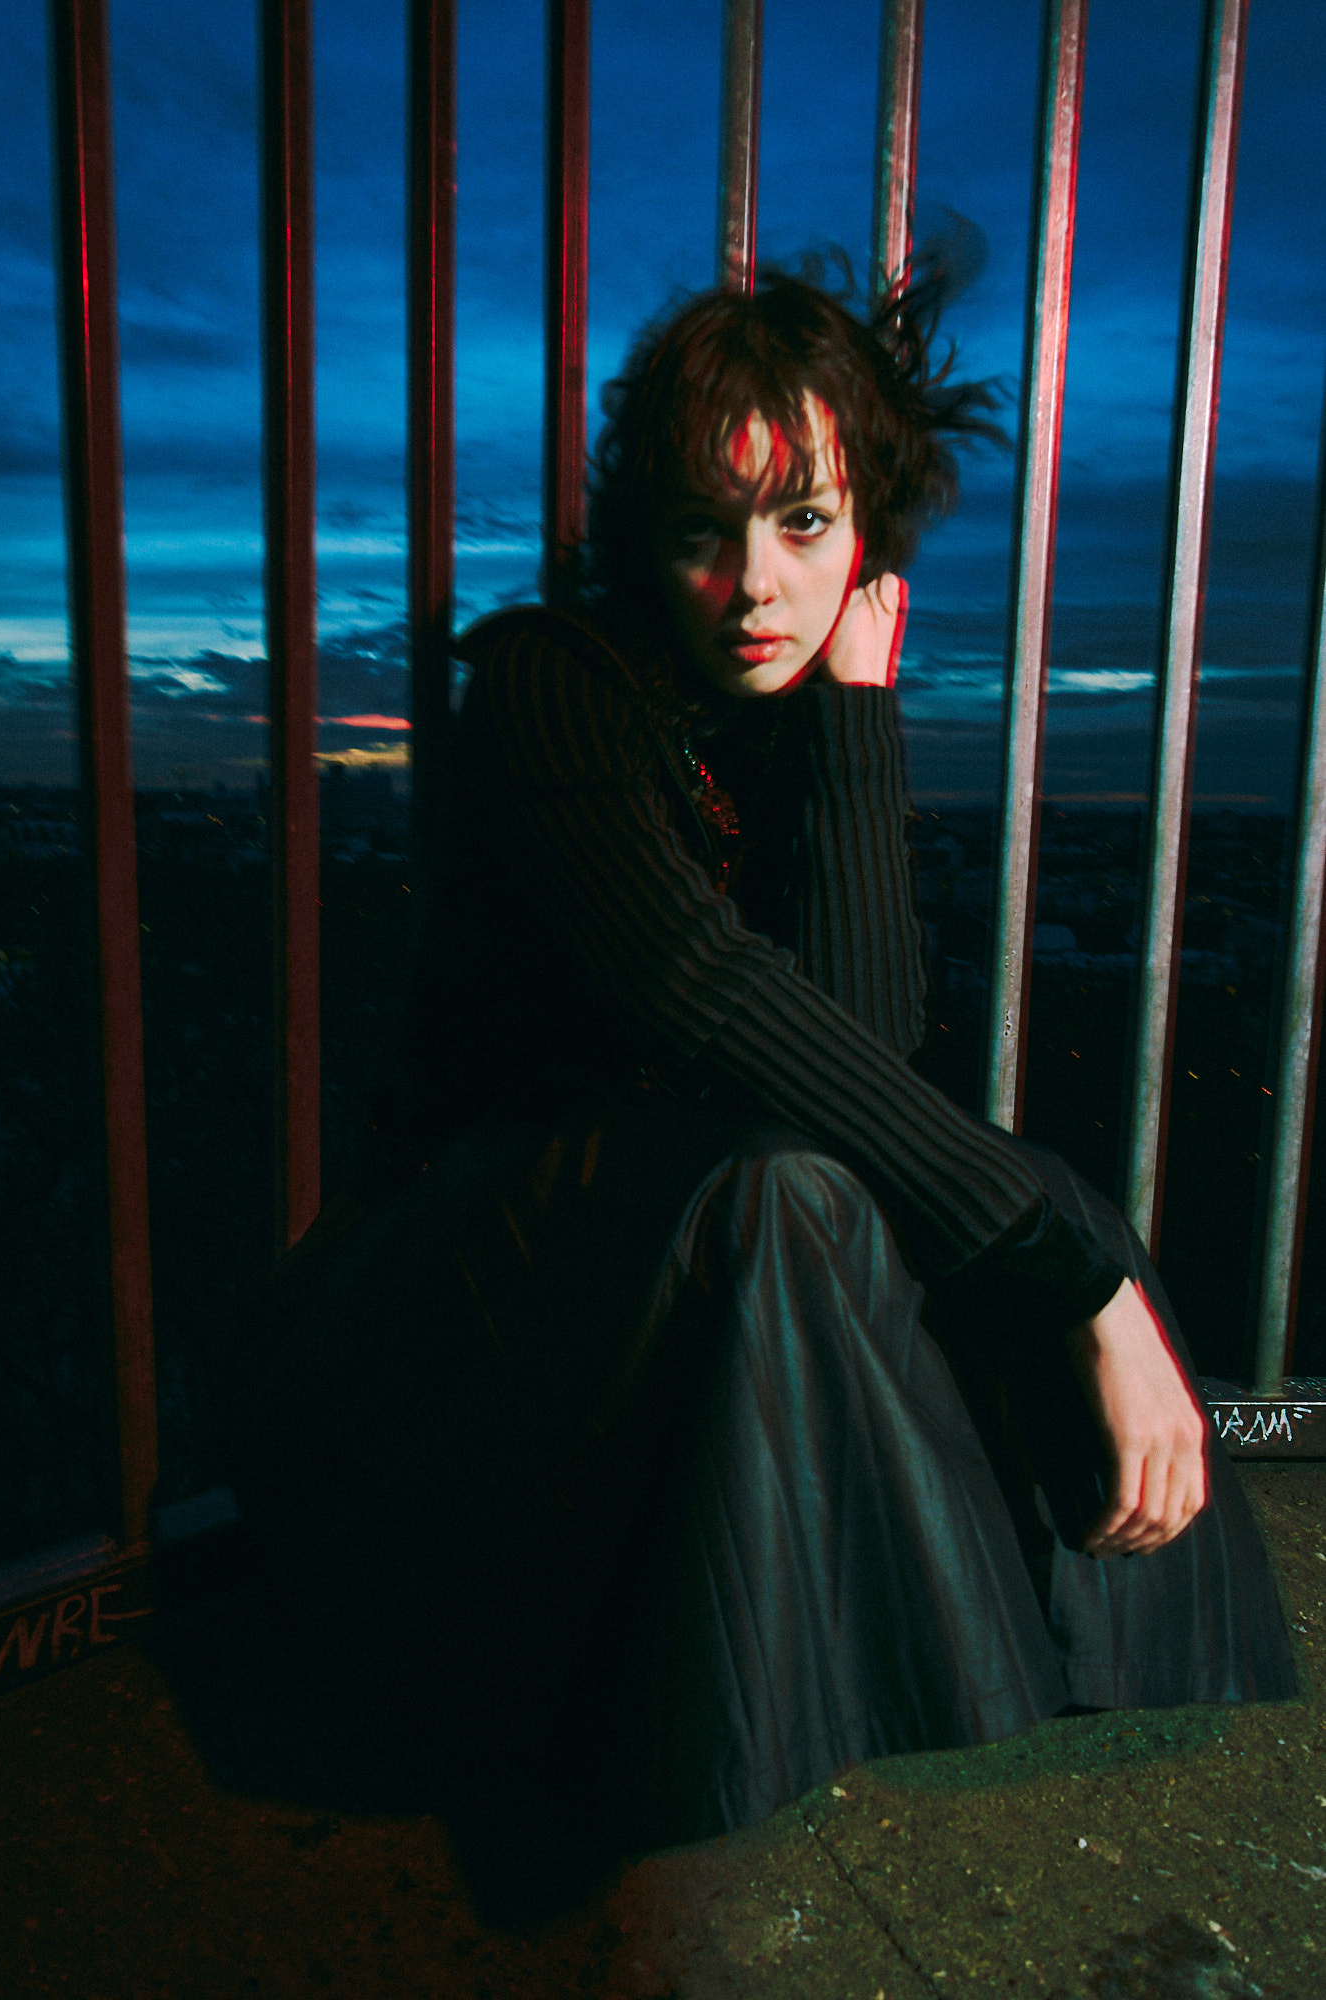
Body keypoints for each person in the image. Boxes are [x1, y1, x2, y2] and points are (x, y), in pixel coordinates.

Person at [230, 260, 1297, 1901]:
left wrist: (857, 721)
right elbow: (696, 987)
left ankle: (1016, 1663)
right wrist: (1072, 1280)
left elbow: (859, 1045)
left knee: (926, 1182)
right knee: (812, 1198)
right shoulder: (548, 683)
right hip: (477, 1271)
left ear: (866, 528)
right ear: (641, 540)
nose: (753, 589)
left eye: (804, 525)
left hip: (682, 1230)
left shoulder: (797, 708)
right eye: (702, 533)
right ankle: (711, 1766)